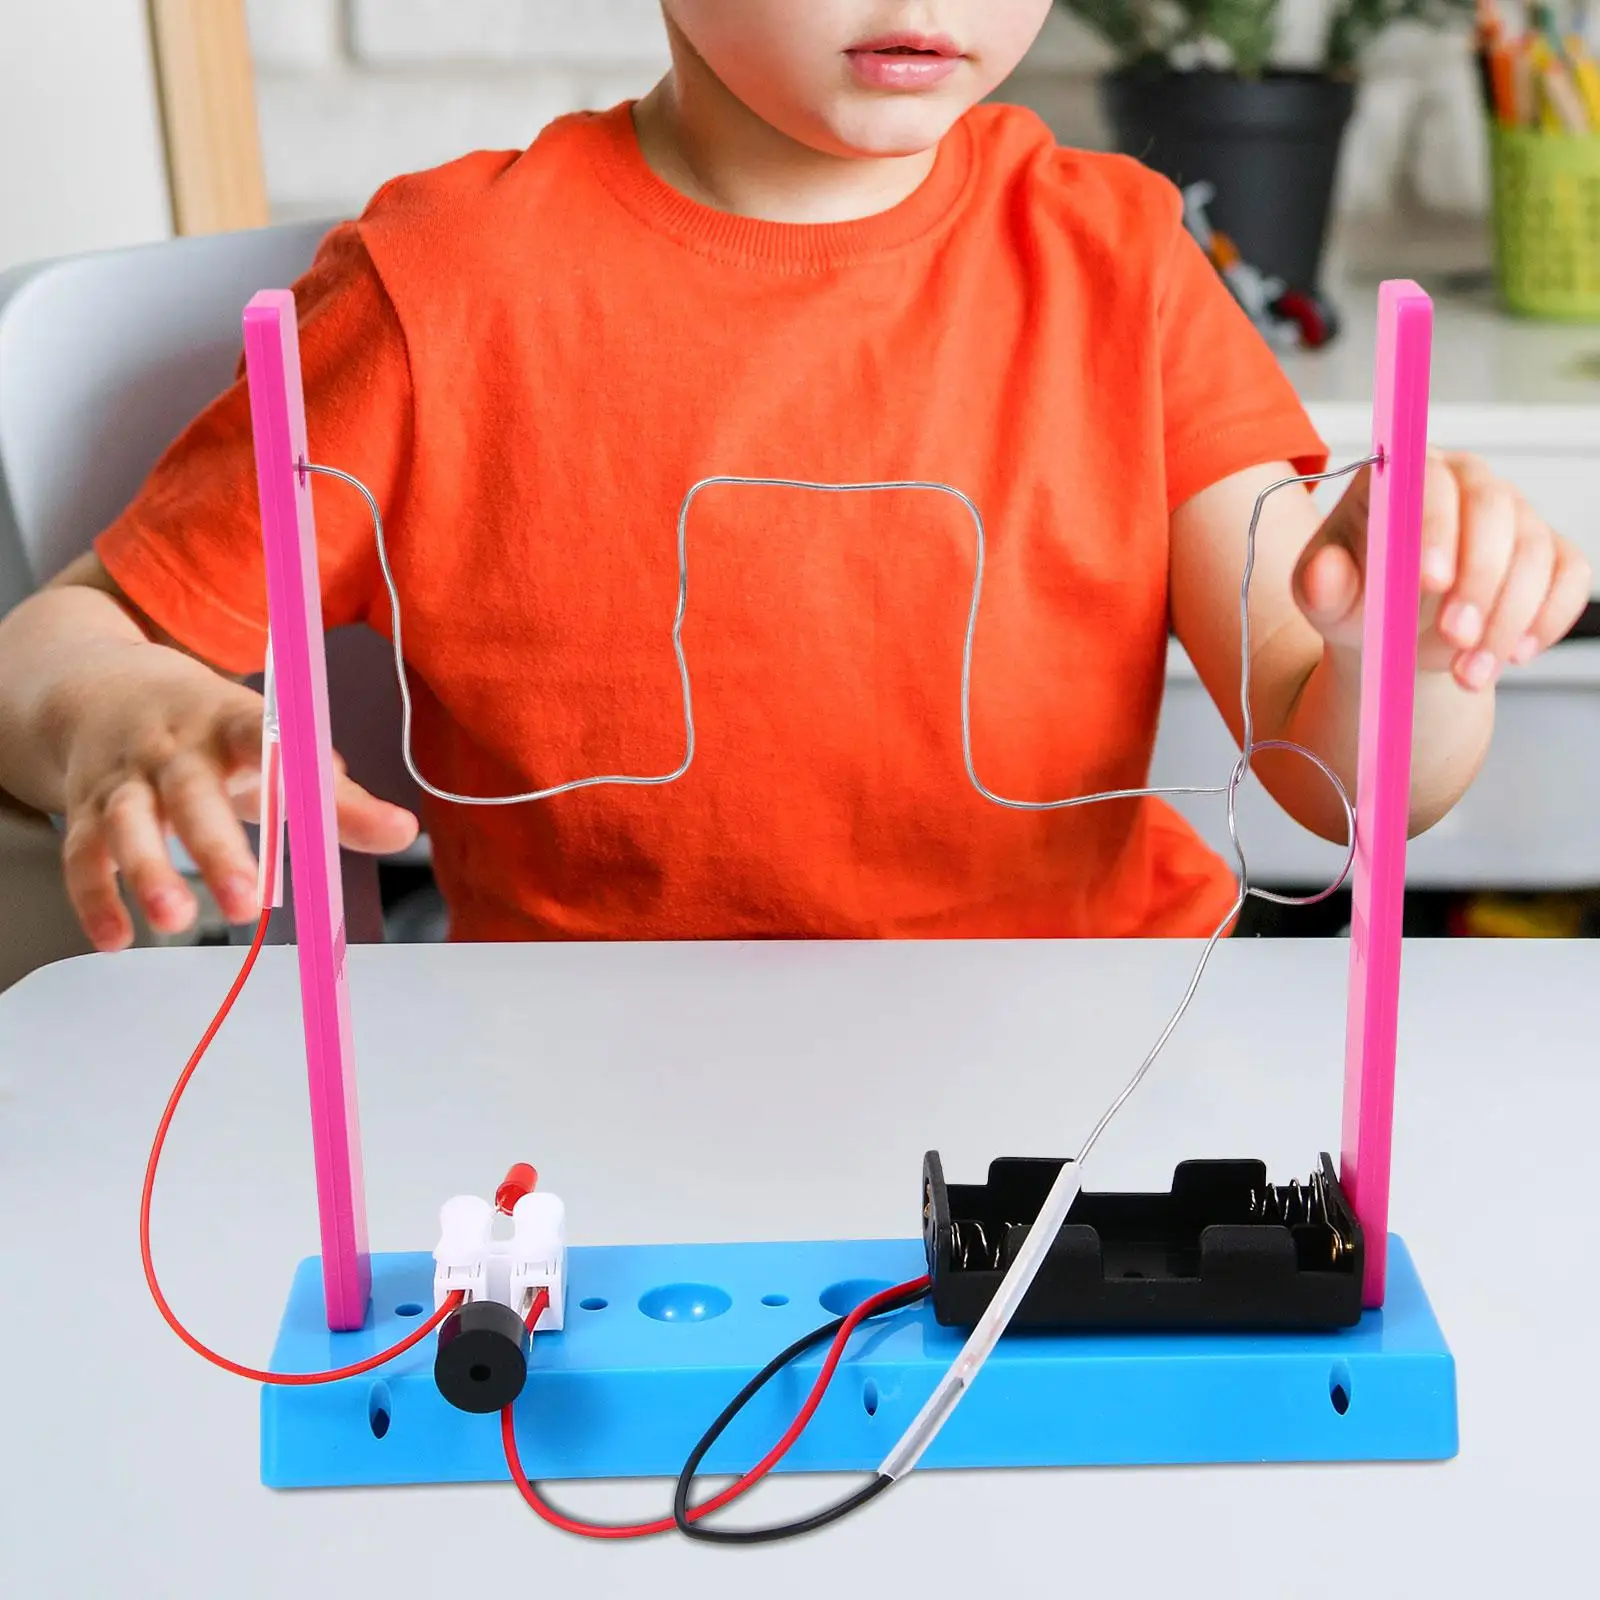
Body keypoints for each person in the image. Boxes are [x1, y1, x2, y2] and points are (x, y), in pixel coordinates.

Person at [0, 1, 1587, 952]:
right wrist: (116, 709)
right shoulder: (443, 289)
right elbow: (53, 646)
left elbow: (1340, 781)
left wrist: (1409, 644)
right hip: (581, 1096)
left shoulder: (1122, 264)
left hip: (1076, 1081)